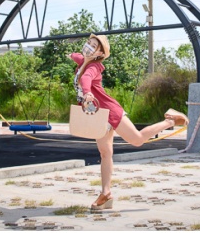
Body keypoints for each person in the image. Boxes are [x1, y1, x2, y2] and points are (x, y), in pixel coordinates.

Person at [70, 34, 188, 211]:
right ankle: (106, 194)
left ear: (99, 52)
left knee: (137, 139)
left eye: (93, 45)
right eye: (88, 43)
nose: (88, 46)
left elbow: (87, 79)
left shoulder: (94, 66)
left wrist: (87, 92)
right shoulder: (83, 62)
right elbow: (78, 57)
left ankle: (170, 120)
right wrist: (72, 55)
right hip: (98, 115)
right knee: (105, 153)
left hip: (110, 111)